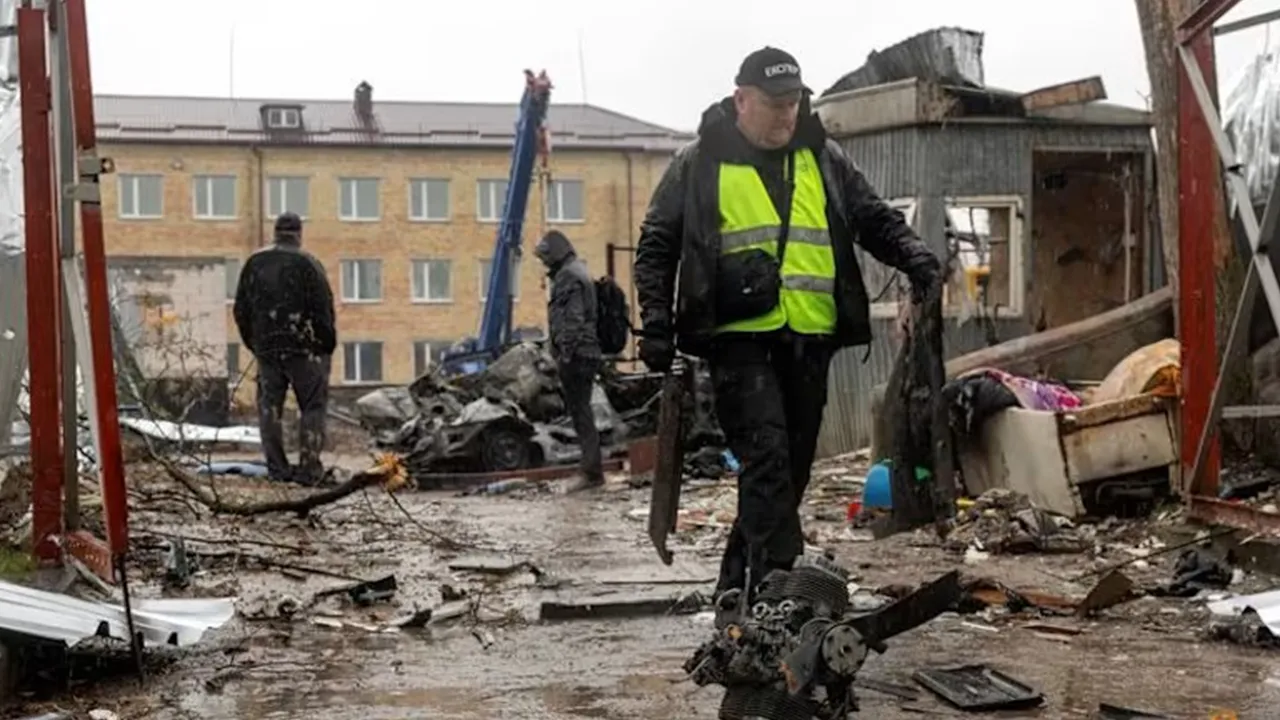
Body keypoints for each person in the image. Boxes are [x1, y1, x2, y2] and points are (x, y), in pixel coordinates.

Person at [633, 47, 943, 599]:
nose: (786, 114)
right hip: (737, 339)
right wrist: (655, 321)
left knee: (789, 472)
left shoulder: (823, 157)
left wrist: (916, 258)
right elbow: (657, 243)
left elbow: (873, 218)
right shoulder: (700, 162)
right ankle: (780, 595)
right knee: (769, 459)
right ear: (741, 100)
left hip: (809, 339)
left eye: (794, 102)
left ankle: (735, 588)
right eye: (775, 103)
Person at [233, 211, 337, 486]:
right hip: (304, 350)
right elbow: (323, 309)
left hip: (268, 350)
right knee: (312, 407)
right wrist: (326, 346)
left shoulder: (255, 263)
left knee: (270, 409)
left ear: (275, 232)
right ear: (299, 234)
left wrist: (255, 344)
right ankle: (309, 469)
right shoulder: (308, 263)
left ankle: (277, 469)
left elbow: (241, 309)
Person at [534, 230, 605, 493]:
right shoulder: (577, 271)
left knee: (581, 412)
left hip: (578, 354)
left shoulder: (568, 276)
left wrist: (565, 353)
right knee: (581, 411)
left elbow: (572, 319)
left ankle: (591, 472)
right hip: (586, 351)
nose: (544, 263)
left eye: (545, 257)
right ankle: (591, 469)